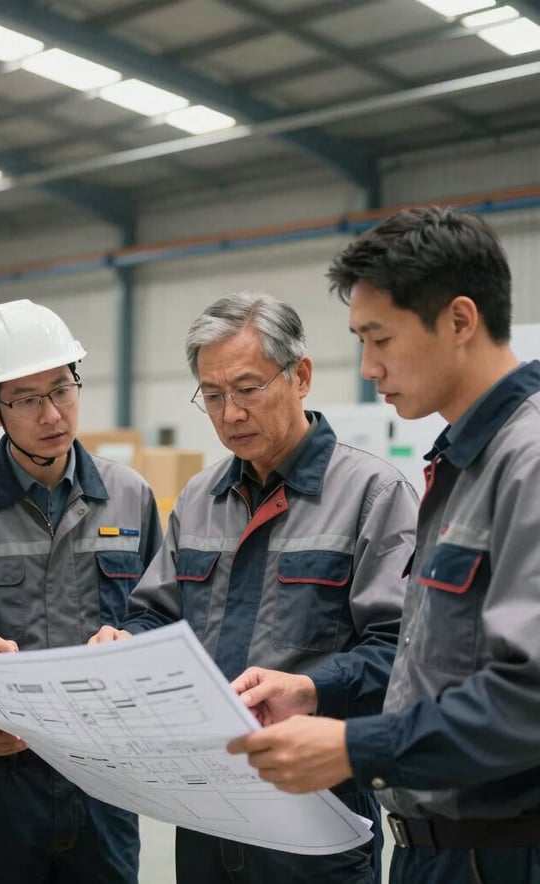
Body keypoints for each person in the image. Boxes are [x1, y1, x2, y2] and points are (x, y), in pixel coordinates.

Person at [227, 206, 540, 884]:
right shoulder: (459, 464)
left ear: (460, 321)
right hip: (431, 848)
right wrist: (314, 692)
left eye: (381, 339)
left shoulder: (529, 461)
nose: (368, 366)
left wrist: (352, 745)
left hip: (502, 854)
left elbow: (529, 697)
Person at [89, 291, 419, 884]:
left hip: (317, 814)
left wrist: (313, 687)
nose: (230, 414)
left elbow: (402, 651)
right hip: (207, 813)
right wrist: (125, 645)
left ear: (302, 377)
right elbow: (160, 616)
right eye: (212, 396)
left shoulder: (373, 494)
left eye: (248, 388)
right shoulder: (199, 497)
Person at [0, 298, 163, 884]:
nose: (52, 413)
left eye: (63, 388)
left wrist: (129, 640)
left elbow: (162, 615)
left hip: (105, 782)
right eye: (26, 398)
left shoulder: (130, 496)